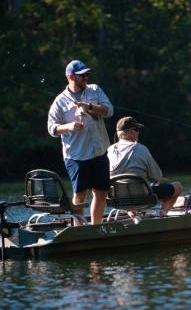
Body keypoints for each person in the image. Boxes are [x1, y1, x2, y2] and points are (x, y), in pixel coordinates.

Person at [48, 60, 113, 225]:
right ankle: (79, 230)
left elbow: (109, 110)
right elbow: (52, 128)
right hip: (76, 155)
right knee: (80, 195)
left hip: (99, 151)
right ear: (71, 77)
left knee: (101, 192)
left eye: (87, 74)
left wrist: (90, 106)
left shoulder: (95, 89)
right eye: (82, 75)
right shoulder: (59, 102)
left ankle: (95, 228)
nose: (86, 77)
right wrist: (69, 126)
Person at [107, 116, 182, 219]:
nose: (138, 133)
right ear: (130, 132)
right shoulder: (141, 149)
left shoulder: (108, 151)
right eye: (137, 130)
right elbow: (157, 176)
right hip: (143, 197)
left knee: (128, 190)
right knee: (177, 186)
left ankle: (133, 214)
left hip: (117, 199)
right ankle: (162, 214)